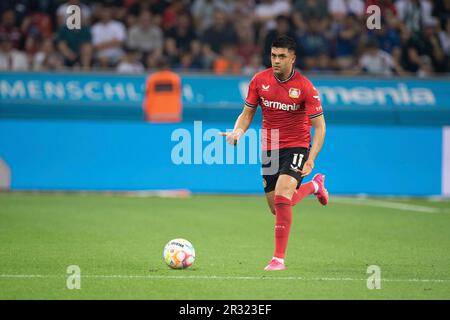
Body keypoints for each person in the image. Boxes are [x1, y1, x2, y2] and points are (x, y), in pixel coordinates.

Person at [221, 36, 329, 271]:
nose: (276, 61)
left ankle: (278, 259)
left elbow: (320, 127)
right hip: (269, 149)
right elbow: (247, 113)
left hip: (297, 146)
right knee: (276, 206)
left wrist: (311, 158)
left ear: (293, 58)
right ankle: (314, 187)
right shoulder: (260, 81)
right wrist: (238, 132)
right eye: (273, 56)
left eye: (281, 56)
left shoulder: (305, 87)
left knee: (282, 195)